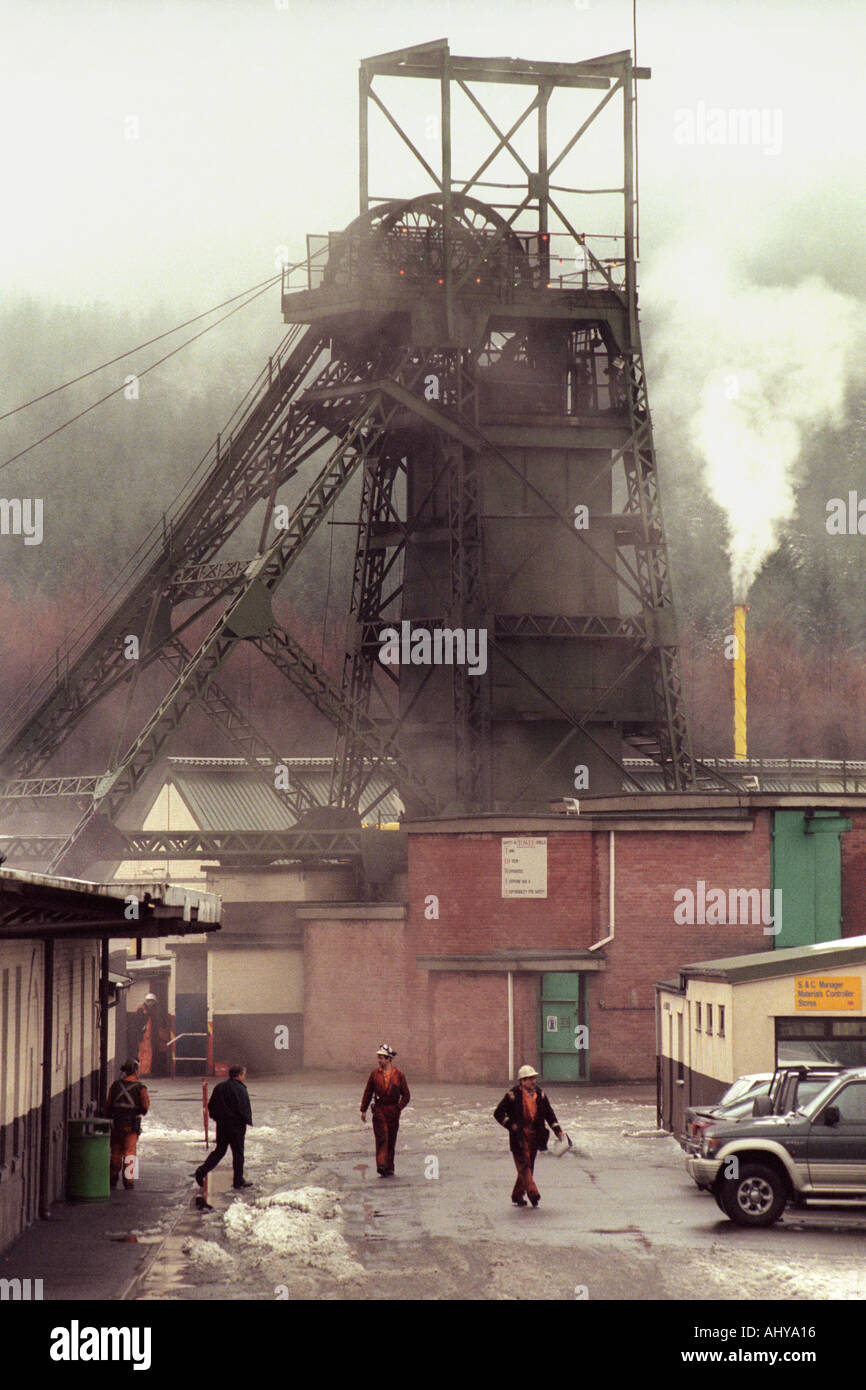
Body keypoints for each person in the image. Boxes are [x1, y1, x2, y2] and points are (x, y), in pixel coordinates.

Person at [493, 1064, 564, 1208]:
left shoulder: (540, 1094)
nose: (532, 1082)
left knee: (529, 1166)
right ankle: (533, 1194)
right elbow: (498, 1113)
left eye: (533, 1079)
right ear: (522, 1081)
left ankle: (517, 1195)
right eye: (529, 1079)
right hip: (519, 1136)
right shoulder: (513, 1095)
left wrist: (558, 1131)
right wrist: (511, 1126)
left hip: (535, 1136)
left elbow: (549, 1114)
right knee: (524, 1165)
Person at [194, 1065, 253, 1190]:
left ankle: (202, 1171)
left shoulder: (220, 1087)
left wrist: (218, 1118)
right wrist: (246, 1121)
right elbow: (244, 1108)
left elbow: (211, 1106)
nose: (245, 1076)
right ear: (239, 1075)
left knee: (220, 1151)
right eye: (244, 1074)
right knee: (238, 1153)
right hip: (236, 1126)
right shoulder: (240, 1089)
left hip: (222, 1126)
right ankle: (238, 1180)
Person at [360, 1044, 410, 1177]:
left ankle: (389, 1167)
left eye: (381, 1058)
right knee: (382, 1138)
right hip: (379, 1110)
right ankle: (381, 1165)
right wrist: (363, 1109)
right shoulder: (374, 1074)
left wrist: (398, 1108)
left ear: (388, 1059)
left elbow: (406, 1095)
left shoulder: (399, 1075)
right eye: (378, 1057)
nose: (379, 1060)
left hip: (393, 1111)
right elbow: (368, 1092)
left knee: (391, 1139)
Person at [105, 1059, 150, 1190]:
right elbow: (145, 1107)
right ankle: (129, 1181)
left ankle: (112, 1177)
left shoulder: (115, 1086)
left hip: (117, 1123)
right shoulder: (141, 1088)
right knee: (130, 1151)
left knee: (116, 1150)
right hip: (132, 1126)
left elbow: (108, 1105)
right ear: (135, 1070)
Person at [132, 993, 159, 1077]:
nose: (152, 1004)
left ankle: (141, 1071)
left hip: (144, 1036)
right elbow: (139, 1024)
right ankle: (145, 1072)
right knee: (146, 1054)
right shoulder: (144, 1010)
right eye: (152, 1002)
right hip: (145, 1036)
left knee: (141, 1053)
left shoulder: (143, 1009)